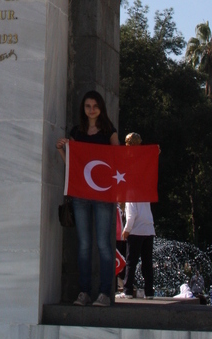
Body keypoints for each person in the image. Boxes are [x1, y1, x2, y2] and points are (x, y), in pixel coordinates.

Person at [56, 90, 119, 307]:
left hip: (102, 195)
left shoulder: (109, 131)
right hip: (81, 194)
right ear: (83, 109)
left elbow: (118, 158)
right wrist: (63, 151)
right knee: (83, 245)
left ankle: (104, 293)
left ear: (101, 107)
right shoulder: (77, 132)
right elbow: (73, 165)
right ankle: (84, 291)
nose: (91, 110)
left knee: (103, 244)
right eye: (87, 106)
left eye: (95, 106)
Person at [115, 132, 156, 300]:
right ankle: (149, 292)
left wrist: (126, 230)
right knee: (147, 263)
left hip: (136, 230)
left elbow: (131, 214)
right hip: (148, 228)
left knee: (131, 261)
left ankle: (127, 290)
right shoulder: (144, 191)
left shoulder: (131, 192)